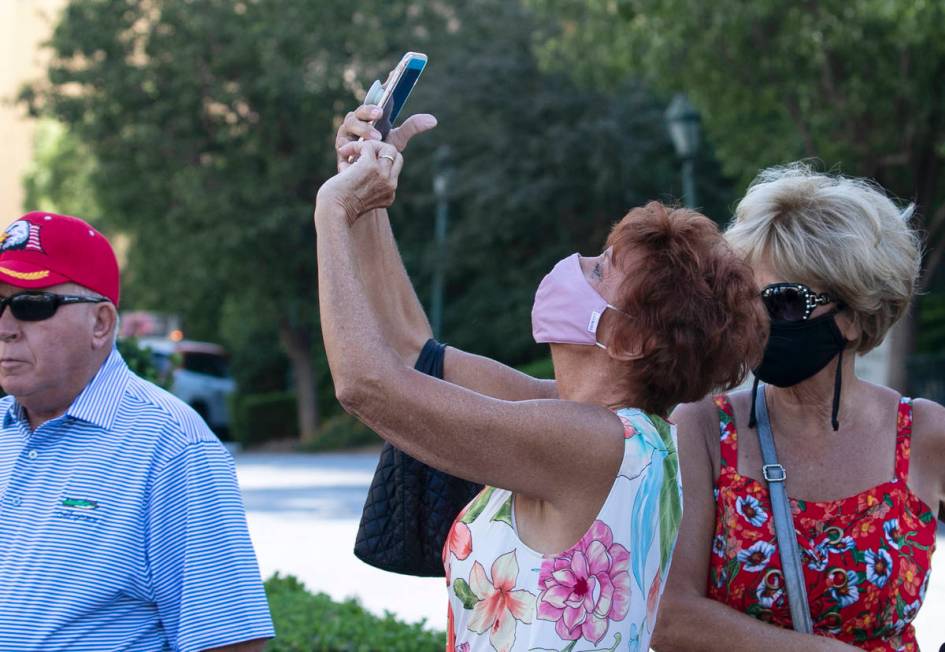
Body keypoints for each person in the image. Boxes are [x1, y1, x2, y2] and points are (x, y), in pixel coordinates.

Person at [314, 105, 767, 651]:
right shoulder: (604, 427)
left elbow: (367, 384)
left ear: (630, 340)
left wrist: (333, 209)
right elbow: (413, 352)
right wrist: (366, 199)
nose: (576, 264)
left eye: (601, 270)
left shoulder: (590, 444)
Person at [653, 165, 945, 652]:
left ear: (854, 316)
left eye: (785, 301)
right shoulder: (703, 429)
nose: (759, 321)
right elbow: (670, 617)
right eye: (749, 298)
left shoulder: (925, 434)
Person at [0, 212, 274, 651]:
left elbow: (229, 642)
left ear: (101, 323)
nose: (6, 327)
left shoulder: (172, 446)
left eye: (31, 305)